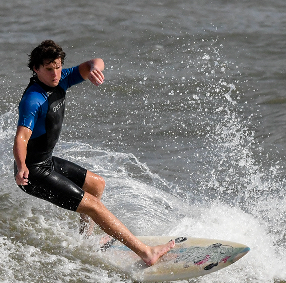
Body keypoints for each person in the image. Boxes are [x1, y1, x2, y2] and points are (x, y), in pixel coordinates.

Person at [13, 40, 174, 266]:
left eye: (58, 66)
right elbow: (21, 138)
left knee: (96, 185)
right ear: (36, 69)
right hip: (33, 173)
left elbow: (94, 62)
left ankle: (86, 240)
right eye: (48, 69)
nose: (55, 73)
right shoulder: (33, 99)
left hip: (46, 162)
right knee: (93, 205)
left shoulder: (62, 79)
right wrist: (21, 167)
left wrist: (94, 70)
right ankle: (147, 253)